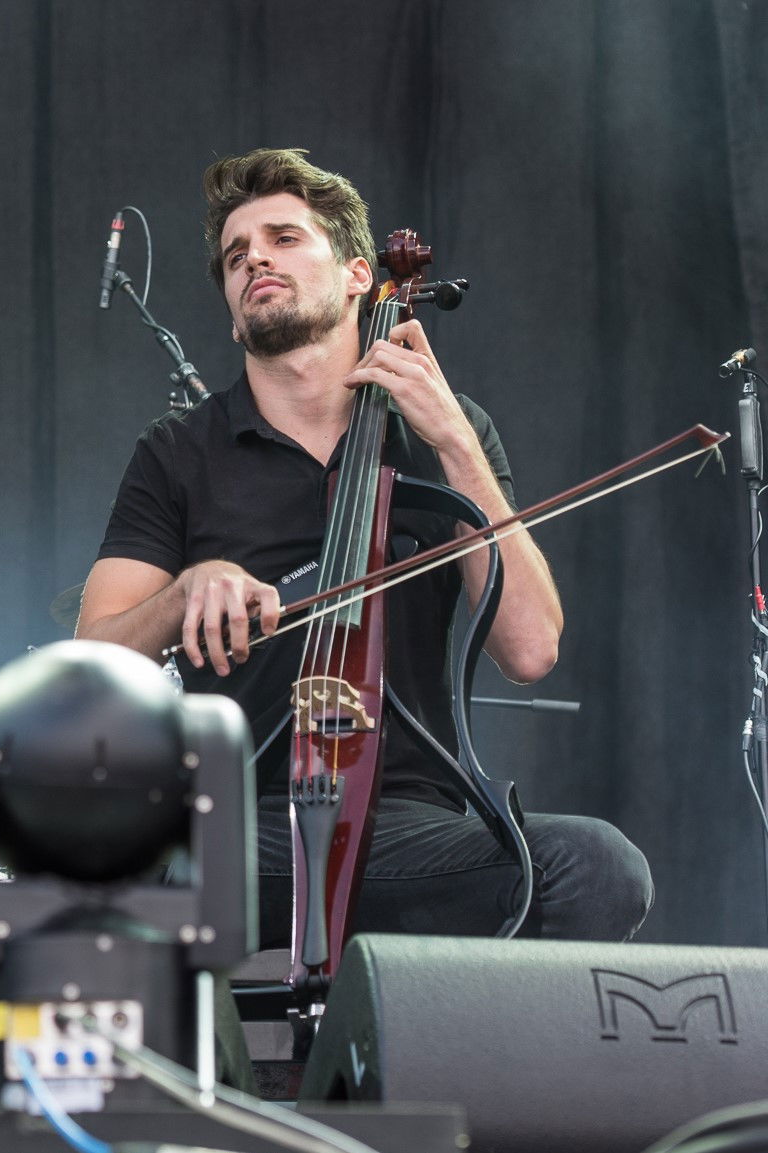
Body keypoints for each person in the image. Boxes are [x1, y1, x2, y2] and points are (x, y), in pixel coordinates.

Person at [75, 148, 651, 948]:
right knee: (96, 870)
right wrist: (182, 594)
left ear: (357, 275)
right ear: (232, 316)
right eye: (237, 255)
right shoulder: (179, 451)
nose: (256, 261)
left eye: (283, 238)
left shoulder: (447, 432)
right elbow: (90, 663)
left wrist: (451, 439)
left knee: (598, 866)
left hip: (408, 826)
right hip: (240, 824)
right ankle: (225, 1076)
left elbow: (531, 646)